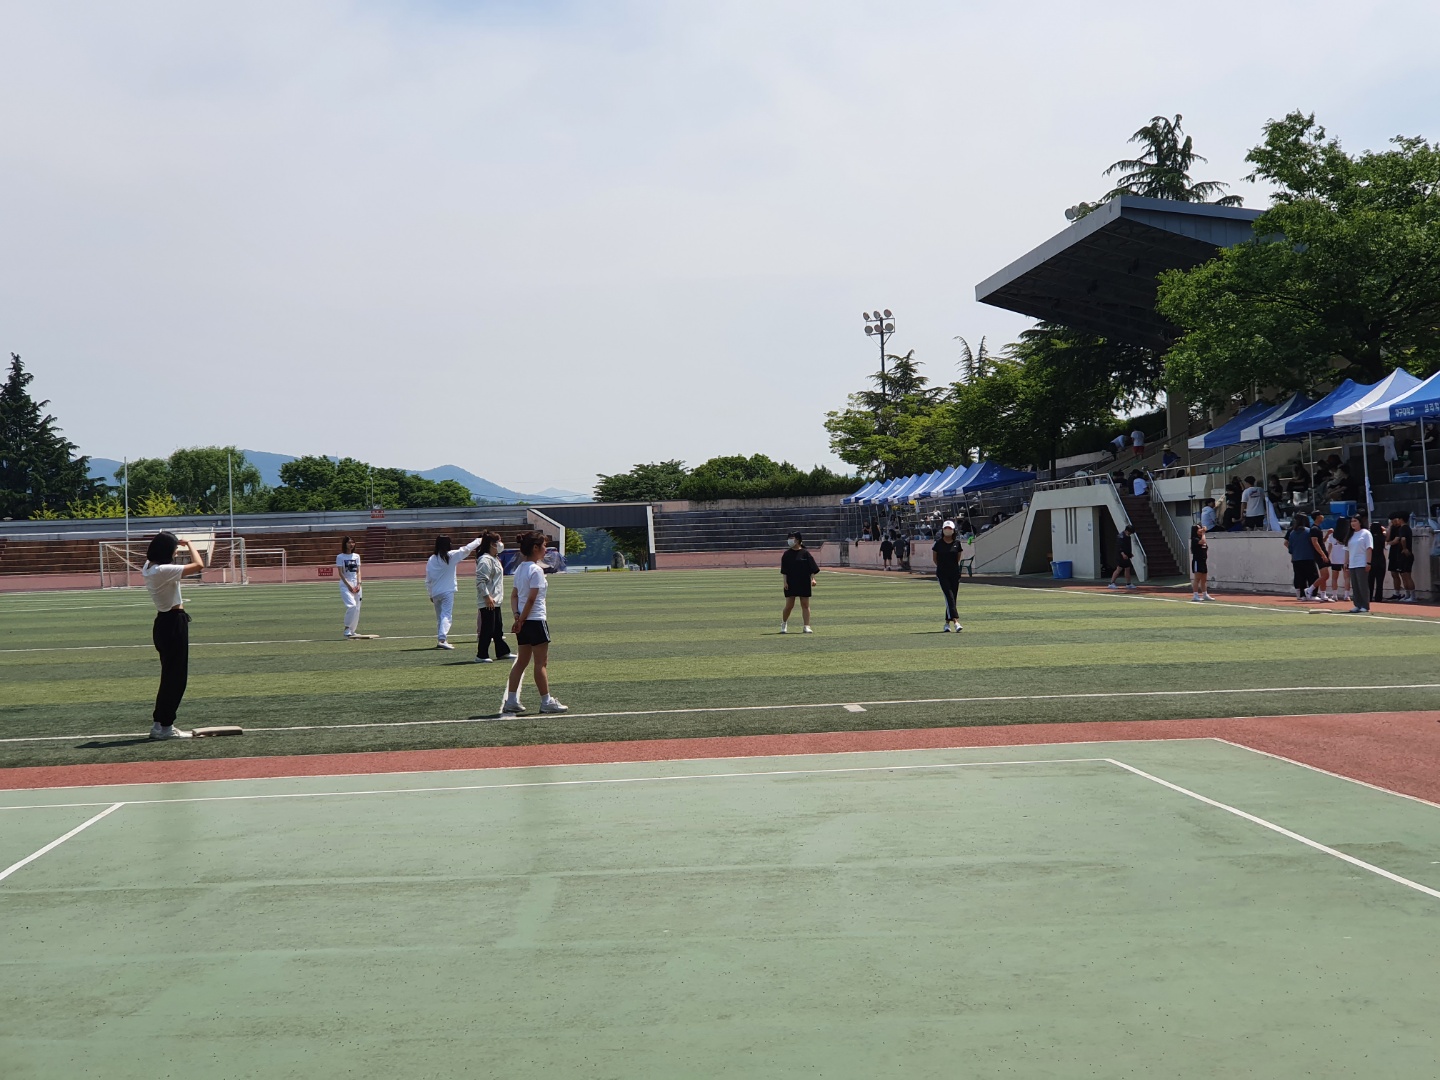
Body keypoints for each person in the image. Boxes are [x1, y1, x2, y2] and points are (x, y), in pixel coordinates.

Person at [141, 531, 205, 740]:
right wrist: (191, 544)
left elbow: (159, 552)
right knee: (176, 678)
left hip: (163, 623)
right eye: (174, 549)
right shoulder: (163, 570)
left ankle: (159, 724)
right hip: (173, 623)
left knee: (169, 677)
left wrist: (172, 541)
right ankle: (166, 726)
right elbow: (199, 565)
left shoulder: (149, 567)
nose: (176, 552)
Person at [503, 531, 567, 714]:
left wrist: (517, 617)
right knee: (541, 663)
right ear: (535, 548)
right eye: (544, 546)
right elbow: (531, 599)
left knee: (521, 661)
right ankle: (546, 701)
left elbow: (514, 596)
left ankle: (511, 700)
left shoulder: (520, 569)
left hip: (524, 622)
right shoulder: (536, 570)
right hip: (535, 620)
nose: (546, 549)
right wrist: (521, 619)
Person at [426, 534, 483, 649]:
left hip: (436, 592)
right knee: (446, 615)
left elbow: (428, 578)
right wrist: (479, 540)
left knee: (440, 617)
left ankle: (441, 638)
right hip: (447, 591)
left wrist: (430, 593)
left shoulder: (432, 559)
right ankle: (442, 639)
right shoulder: (450, 556)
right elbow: (466, 549)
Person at [474, 532, 512, 663]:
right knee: (488, 629)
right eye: (498, 541)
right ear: (492, 544)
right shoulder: (485, 560)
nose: (501, 544)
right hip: (488, 600)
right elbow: (480, 581)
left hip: (495, 600)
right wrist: (486, 596)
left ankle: (502, 652)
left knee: (497, 628)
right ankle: (481, 654)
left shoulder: (494, 558)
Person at [780, 532, 820, 633]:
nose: (790, 540)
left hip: (804, 581)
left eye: (792, 538)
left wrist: (813, 579)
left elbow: (812, 568)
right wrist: (785, 582)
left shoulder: (805, 553)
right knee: (789, 605)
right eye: (789, 538)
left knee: (805, 605)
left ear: (798, 540)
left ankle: (806, 626)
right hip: (791, 582)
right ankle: (784, 623)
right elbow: (784, 571)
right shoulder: (786, 554)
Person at [932, 520, 964, 631]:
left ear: (953, 530)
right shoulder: (938, 544)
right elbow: (935, 559)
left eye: (950, 528)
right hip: (942, 574)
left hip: (954, 573)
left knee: (952, 598)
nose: (948, 530)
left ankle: (946, 624)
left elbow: (957, 558)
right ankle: (956, 622)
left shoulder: (957, 544)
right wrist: (942, 567)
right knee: (949, 596)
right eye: (946, 528)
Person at [336, 535, 367, 639]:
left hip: (356, 584)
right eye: (349, 542)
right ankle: (347, 628)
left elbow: (358, 571)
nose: (351, 544)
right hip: (345, 585)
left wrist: (359, 584)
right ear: (345, 544)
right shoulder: (340, 557)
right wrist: (349, 585)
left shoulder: (356, 556)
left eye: (353, 542)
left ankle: (352, 631)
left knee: (357, 608)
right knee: (352, 606)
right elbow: (341, 573)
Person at [1285, 512, 1319, 601]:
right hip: (1308, 557)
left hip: (1296, 558)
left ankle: (1302, 595)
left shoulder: (1292, 533)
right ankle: (1312, 594)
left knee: (1300, 577)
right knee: (1313, 576)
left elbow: (1290, 547)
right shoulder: (1308, 531)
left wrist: (1294, 552)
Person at [1345, 513, 1374, 613]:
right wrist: (1346, 563)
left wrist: (1368, 562)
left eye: (1355, 521)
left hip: (1361, 563)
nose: (1353, 523)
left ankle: (1365, 605)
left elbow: (1369, 548)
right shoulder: (1350, 535)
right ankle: (1357, 604)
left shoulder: (1365, 533)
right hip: (1352, 563)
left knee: (1362, 585)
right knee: (1355, 586)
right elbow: (1347, 550)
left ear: (1360, 522)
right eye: (1351, 521)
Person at [1388, 512, 1416, 602]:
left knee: (1407, 576)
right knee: (1404, 575)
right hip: (1402, 555)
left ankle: (1412, 596)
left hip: (1405, 555)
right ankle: (1408, 595)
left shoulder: (1404, 528)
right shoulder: (1404, 528)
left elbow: (1403, 539)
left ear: (1401, 519)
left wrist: (1404, 548)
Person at [1324, 516, 1351, 603]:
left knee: (1334, 577)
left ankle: (1334, 595)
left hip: (1335, 559)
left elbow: (1329, 547)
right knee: (1347, 577)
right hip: (1346, 559)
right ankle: (1346, 595)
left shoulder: (1332, 536)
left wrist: (1328, 556)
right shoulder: (1348, 535)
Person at [1108, 525, 1138, 591]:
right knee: (1119, 569)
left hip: (1126, 555)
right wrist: (1123, 554)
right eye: (1130, 532)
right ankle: (1112, 583)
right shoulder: (1120, 537)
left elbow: (1128, 546)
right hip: (1121, 556)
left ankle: (1128, 583)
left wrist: (1129, 554)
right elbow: (1119, 547)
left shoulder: (1128, 537)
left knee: (1127, 568)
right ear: (1127, 531)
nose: (1130, 534)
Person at [1190, 523, 1213, 602]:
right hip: (1197, 560)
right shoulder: (1195, 539)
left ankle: (1205, 594)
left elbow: (1205, 544)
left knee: (1204, 579)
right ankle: (1195, 595)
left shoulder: (1201, 537)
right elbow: (1202, 542)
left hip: (1203, 561)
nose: (1201, 530)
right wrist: (1203, 533)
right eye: (1199, 529)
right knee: (1197, 579)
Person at [1368, 518, 1388, 603]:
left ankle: (1369, 597)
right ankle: (1378, 598)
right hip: (1381, 560)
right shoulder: (1382, 537)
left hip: (1371, 560)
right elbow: (1387, 533)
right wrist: (1383, 529)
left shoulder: (1369, 538)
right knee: (1380, 582)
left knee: (1370, 581)